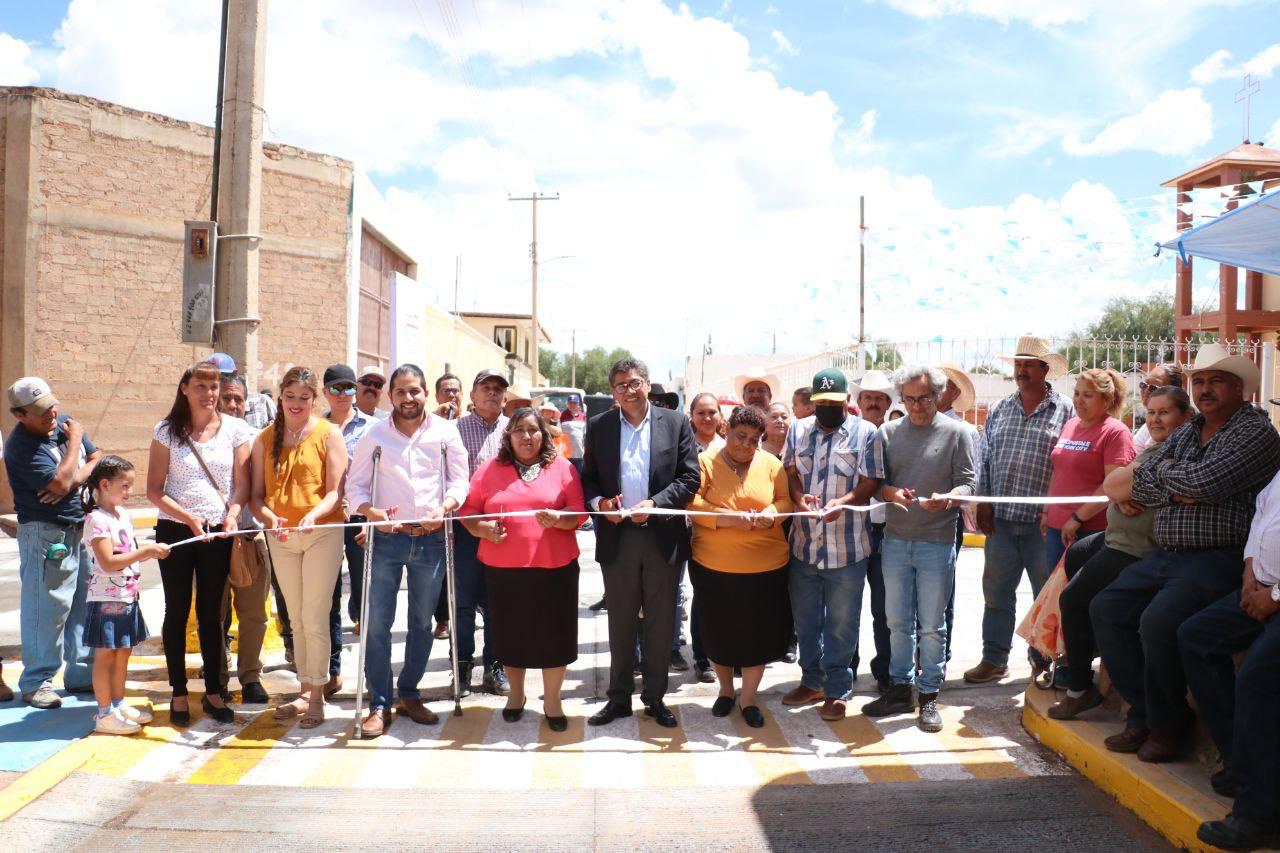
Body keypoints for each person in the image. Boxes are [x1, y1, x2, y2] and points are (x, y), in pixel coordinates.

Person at [1092, 342, 1280, 762]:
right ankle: (1144, 712)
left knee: (1159, 622)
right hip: (1166, 554)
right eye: (1199, 381)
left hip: (1216, 556)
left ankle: (1168, 728)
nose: (1206, 389)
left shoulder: (1254, 432)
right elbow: (1120, 485)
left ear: (1239, 387)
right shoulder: (1188, 431)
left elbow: (1207, 484)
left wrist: (1163, 479)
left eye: (1216, 381)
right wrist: (1177, 485)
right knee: (1106, 608)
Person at [1046, 386, 1192, 721]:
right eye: (1151, 412)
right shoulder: (1157, 447)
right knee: (1074, 557)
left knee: (1076, 600)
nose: (1154, 419)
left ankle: (1081, 688)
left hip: (1135, 547)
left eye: (1164, 412)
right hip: (1115, 535)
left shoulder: (1179, 452)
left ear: (1185, 416)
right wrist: (1121, 491)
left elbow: (1118, 483)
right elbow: (1114, 485)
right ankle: (1082, 651)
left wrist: (1124, 488)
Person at [346, 364, 469, 737]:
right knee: (377, 622)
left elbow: (460, 479)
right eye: (401, 392)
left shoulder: (446, 433)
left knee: (421, 623)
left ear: (425, 393)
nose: (408, 398)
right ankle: (380, 703)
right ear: (391, 396)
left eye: (414, 391)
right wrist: (371, 513)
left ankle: (410, 693)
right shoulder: (375, 434)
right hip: (386, 538)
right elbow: (356, 487)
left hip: (430, 536)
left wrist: (445, 508)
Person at [583, 357, 700, 729]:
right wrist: (600, 504)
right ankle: (618, 699)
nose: (628, 391)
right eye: (620, 385)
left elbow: (689, 478)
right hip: (618, 538)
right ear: (613, 391)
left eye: (634, 383)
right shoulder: (599, 426)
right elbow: (588, 479)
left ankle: (655, 698)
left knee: (661, 623)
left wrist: (656, 504)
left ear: (648, 384)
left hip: (662, 537)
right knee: (620, 622)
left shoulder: (677, 423)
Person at [863, 366, 976, 732]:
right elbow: (880, 484)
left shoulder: (959, 432)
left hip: (937, 542)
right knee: (896, 623)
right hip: (895, 540)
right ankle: (900, 689)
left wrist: (950, 498)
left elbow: (969, 484)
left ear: (938, 396)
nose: (916, 405)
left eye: (924, 398)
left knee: (931, 625)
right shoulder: (888, 432)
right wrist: (891, 493)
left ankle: (928, 696)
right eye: (909, 398)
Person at [459, 408, 586, 730]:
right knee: (510, 636)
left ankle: (553, 701)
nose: (526, 437)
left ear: (544, 435)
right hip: (504, 570)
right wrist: (483, 528)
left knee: (553, 637)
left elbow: (579, 512)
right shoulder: (489, 469)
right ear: (508, 436)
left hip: (555, 568)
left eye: (533, 430)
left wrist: (560, 519)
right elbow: (469, 511)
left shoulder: (563, 468)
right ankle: (516, 696)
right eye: (519, 430)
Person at [1183, 469, 1280, 851]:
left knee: (1257, 680)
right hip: (1260, 588)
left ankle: (1260, 815)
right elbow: (1261, 519)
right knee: (1196, 637)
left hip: (1275, 597)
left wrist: (1273, 598)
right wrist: (1249, 573)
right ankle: (1244, 763)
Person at [967, 334, 1073, 684]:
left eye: (1029, 364)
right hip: (1001, 520)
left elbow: (1069, 465)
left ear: (1045, 369)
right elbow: (985, 460)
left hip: (1043, 526)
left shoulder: (1066, 410)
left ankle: (1043, 661)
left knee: (1047, 596)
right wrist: (983, 502)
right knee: (996, 593)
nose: (1021, 370)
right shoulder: (1000, 408)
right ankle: (994, 659)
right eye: (1018, 363)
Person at [148, 362, 249, 725]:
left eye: (215, 386)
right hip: (177, 530)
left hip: (218, 531)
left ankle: (213, 692)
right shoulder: (166, 431)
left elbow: (242, 483)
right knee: (176, 610)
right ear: (185, 388)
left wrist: (233, 514)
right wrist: (189, 518)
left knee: (213, 613)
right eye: (202, 386)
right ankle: (178, 691)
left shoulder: (236, 429)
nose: (209, 393)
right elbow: (153, 490)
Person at [782, 368, 883, 721]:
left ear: (847, 401)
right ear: (812, 401)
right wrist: (798, 500)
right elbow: (791, 473)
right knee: (806, 621)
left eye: (833, 402)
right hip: (805, 546)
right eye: (820, 402)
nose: (826, 407)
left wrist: (846, 502)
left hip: (848, 547)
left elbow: (872, 479)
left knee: (841, 624)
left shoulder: (866, 433)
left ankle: (838, 690)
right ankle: (812, 681)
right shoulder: (797, 430)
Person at [250, 366, 347, 729]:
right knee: (295, 618)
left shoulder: (328, 434)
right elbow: (257, 498)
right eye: (290, 396)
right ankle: (304, 689)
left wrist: (314, 514)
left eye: (303, 398)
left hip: (322, 532)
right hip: (282, 538)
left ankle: (317, 695)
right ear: (281, 397)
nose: (296, 403)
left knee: (315, 615)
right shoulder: (264, 438)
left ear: (313, 399)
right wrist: (270, 519)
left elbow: (336, 490)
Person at [687, 406, 793, 728]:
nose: (746, 445)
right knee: (719, 633)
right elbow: (691, 503)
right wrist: (728, 517)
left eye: (753, 440)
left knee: (756, 637)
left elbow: (786, 501)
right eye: (740, 436)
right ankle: (725, 690)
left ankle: (748, 698)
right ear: (726, 430)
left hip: (765, 568)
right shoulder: (705, 463)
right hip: (713, 567)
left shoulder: (772, 465)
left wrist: (772, 512)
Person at [6, 377, 102, 708]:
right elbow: (59, 483)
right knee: (46, 609)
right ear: (20, 415)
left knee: (82, 604)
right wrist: (75, 441)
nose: (52, 414)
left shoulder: (61, 421)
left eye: (52, 405)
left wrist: (78, 473)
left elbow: (97, 457)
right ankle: (36, 682)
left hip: (77, 526)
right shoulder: (21, 447)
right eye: (42, 410)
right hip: (45, 532)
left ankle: (80, 674)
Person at [80, 456, 168, 734]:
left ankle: (117, 703)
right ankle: (104, 713)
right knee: (106, 654)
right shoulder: (96, 520)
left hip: (128, 595)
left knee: (123, 651)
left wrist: (148, 553)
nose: (130, 492)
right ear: (105, 484)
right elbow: (107, 562)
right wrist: (145, 553)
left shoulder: (122, 515)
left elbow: (128, 553)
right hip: (106, 598)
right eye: (125, 486)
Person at [214, 373, 273, 705]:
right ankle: (217, 679)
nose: (233, 405)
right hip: (212, 540)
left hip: (250, 538)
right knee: (214, 613)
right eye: (227, 398)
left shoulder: (257, 438)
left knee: (253, 614)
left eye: (238, 399)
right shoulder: (200, 437)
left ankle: (250, 676)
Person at [452, 368, 512, 695]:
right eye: (485, 388)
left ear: (505, 397)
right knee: (461, 603)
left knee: (498, 602)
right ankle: (461, 666)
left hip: (504, 532)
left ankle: (494, 666)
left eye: (498, 389)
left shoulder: (515, 430)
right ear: (472, 395)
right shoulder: (452, 431)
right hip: (463, 530)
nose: (491, 393)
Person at [1041, 368, 1135, 573]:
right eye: (1077, 393)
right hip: (1057, 527)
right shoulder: (1071, 425)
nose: (1078, 400)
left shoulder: (1115, 432)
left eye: (1088, 395)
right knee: (1051, 596)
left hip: (1089, 531)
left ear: (1107, 399)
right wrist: (1047, 511)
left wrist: (1077, 519)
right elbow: (1058, 471)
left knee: (1077, 598)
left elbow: (1113, 484)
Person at [321, 364, 375, 697]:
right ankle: (333, 670)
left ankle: (372, 674)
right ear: (326, 392)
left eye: (348, 388)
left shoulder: (373, 428)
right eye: (336, 389)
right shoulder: (315, 428)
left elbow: (381, 478)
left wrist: (372, 522)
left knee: (368, 597)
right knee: (327, 597)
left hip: (360, 519)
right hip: (327, 519)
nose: (343, 395)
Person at [849, 368, 896, 693]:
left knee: (885, 608)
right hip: (852, 529)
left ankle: (886, 672)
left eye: (880, 398)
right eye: (869, 397)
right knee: (846, 607)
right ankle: (844, 671)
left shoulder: (896, 435)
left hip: (888, 532)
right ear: (859, 401)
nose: (874, 403)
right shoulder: (849, 434)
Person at [681, 391, 726, 681]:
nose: (708, 418)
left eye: (712, 412)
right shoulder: (682, 446)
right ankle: (701, 657)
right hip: (686, 529)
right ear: (692, 416)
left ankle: (724, 653)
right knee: (700, 595)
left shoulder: (729, 446)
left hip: (720, 532)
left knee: (722, 596)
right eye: (701, 413)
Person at [1132, 363, 1185, 454]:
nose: (1146, 391)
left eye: (1153, 388)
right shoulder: (1148, 425)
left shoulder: (1175, 427)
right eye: (1143, 385)